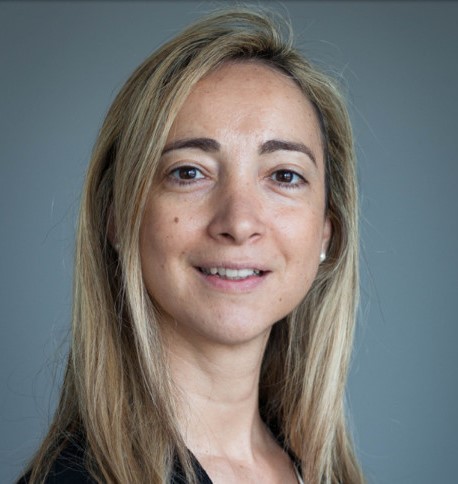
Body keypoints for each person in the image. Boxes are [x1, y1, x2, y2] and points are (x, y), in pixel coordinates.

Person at [19, 7, 364, 484]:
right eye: (189, 172)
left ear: (326, 232)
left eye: (284, 175)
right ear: (117, 217)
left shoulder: (326, 473)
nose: (238, 223)